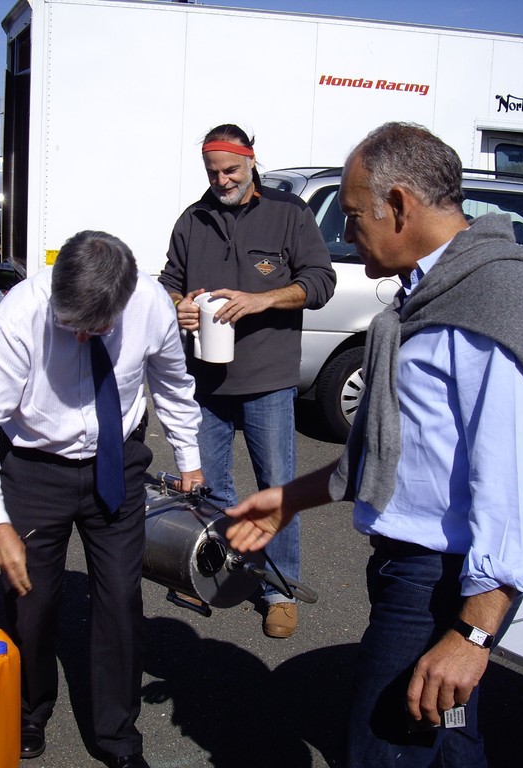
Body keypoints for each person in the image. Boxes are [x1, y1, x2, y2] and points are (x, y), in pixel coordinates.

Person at [225, 122, 523, 766]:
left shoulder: (494, 305)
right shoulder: (438, 294)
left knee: (381, 747)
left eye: (355, 216)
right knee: (447, 741)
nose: (351, 238)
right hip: (416, 572)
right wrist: (289, 498)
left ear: (400, 206)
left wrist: (471, 635)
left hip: (441, 584)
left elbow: (520, 491)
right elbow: (403, 451)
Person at [0, 230, 204, 767]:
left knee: (120, 601)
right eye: (73, 328)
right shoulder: (21, 315)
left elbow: (173, 383)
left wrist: (190, 459)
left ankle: (117, 736)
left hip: (117, 462)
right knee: (31, 602)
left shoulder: (151, 304)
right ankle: (27, 711)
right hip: (36, 470)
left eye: (99, 328)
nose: (87, 336)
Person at [157, 124, 335, 639]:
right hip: (207, 380)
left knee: (276, 489)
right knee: (211, 489)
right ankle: (218, 570)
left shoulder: (289, 213)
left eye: (230, 170)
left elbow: (320, 282)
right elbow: (169, 283)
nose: (222, 180)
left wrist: (263, 298)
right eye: (213, 172)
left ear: (251, 162)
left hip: (268, 377)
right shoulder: (193, 219)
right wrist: (180, 307)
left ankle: (280, 590)